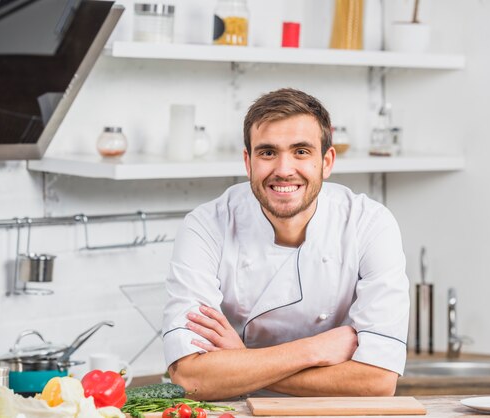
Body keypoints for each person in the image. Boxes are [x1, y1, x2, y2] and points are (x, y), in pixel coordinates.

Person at [162, 88, 409, 401]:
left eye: (301, 152)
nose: (283, 169)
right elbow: (190, 376)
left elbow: (377, 382)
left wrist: (240, 361)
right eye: (267, 152)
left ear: (327, 161)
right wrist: (315, 350)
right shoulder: (206, 225)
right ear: (248, 161)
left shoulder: (369, 223)